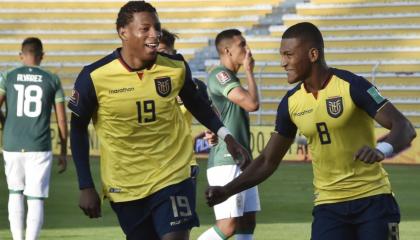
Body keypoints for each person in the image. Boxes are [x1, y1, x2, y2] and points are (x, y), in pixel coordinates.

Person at [205, 22, 416, 240]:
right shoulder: (291, 103)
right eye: (281, 55)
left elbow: (404, 127)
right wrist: (227, 190)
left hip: (373, 201)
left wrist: (382, 149)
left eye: (288, 55)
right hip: (329, 208)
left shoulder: (352, 85)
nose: (282, 63)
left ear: (313, 54)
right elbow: (268, 160)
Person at [67, 1, 250, 240]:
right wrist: (85, 185)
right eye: (145, 29)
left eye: (157, 27)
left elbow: (197, 103)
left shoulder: (175, 67)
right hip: (125, 185)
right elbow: (78, 128)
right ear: (123, 32)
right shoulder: (94, 76)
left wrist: (227, 137)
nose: (155, 35)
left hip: (173, 175)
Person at [0, 37, 67, 240]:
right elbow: (62, 120)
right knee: (36, 196)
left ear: (21, 55)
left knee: (15, 192)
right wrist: (64, 151)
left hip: (12, 144)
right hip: (39, 146)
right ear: (42, 56)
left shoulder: (8, 76)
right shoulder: (52, 79)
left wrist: (5, 122)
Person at [198, 29, 260, 240]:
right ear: (227, 50)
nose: (247, 49)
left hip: (242, 161)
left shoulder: (231, 78)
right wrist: (249, 71)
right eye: (242, 45)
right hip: (227, 160)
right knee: (228, 225)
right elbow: (252, 104)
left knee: (247, 222)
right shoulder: (220, 75)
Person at [157, 28, 217, 187]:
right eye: (156, 52)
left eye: (164, 51)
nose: (160, 57)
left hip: (184, 163)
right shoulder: (141, 84)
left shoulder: (193, 86)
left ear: (174, 52)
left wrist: (214, 130)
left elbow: (210, 114)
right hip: (152, 164)